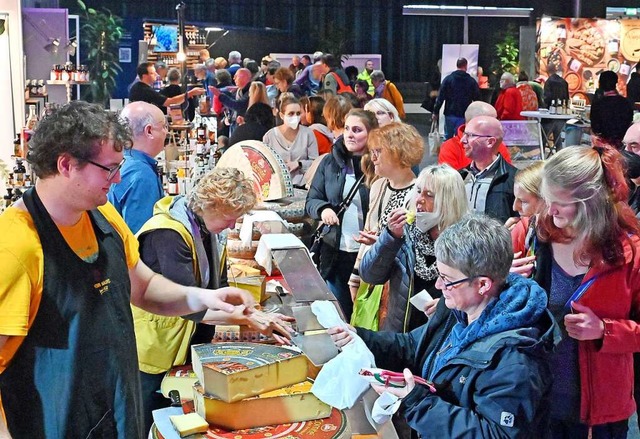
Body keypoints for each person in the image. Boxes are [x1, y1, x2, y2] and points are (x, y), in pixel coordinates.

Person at [0, 101, 273, 438]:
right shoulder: (15, 245)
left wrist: (205, 297)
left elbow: (142, 288)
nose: (117, 180)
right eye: (108, 169)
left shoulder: (104, 218)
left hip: (113, 412)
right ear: (67, 164)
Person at [329, 213, 559, 439]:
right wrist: (360, 337)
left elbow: (496, 434)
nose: (439, 285)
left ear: (482, 284)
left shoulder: (516, 359)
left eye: (447, 279)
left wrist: (418, 403)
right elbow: (412, 346)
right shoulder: (458, 310)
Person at [133, 167, 290, 434]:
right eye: (230, 218)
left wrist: (249, 311)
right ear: (210, 204)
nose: (232, 226)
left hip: (189, 343)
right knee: (155, 423)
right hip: (157, 349)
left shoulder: (207, 228)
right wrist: (251, 318)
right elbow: (188, 306)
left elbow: (219, 288)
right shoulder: (168, 233)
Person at [532, 144, 640, 438]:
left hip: (601, 410)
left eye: (559, 202)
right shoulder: (534, 236)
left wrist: (604, 330)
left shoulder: (631, 253)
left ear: (591, 201)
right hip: (535, 398)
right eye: (546, 198)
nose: (549, 209)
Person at [358, 162, 468, 333]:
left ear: (448, 200)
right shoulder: (405, 231)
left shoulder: (468, 240)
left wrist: (447, 306)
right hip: (402, 334)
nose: (419, 200)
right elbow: (370, 275)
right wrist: (389, 237)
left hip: (445, 335)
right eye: (418, 192)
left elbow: (479, 293)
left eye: (429, 195)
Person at [305, 109, 378, 320]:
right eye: (347, 128)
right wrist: (324, 209)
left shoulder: (378, 165)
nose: (350, 134)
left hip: (367, 253)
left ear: (371, 134)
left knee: (364, 315)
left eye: (357, 130)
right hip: (334, 251)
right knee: (341, 315)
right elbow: (312, 200)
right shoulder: (330, 163)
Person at [107, 101, 167, 234]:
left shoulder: (125, 161)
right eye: (163, 126)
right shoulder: (141, 175)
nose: (166, 132)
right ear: (149, 131)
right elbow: (141, 237)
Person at [460, 115, 517, 223]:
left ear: (490, 142)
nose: (463, 140)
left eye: (470, 135)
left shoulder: (514, 180)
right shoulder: (460, 176)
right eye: (464, 134)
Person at [262, 95, 319, 187]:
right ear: (281, 115)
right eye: (291, 114)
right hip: (278, 187)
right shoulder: (270, 136)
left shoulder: (308, 134)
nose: (295, 117)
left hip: (302, 186)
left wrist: (299, 164)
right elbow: (263, 164)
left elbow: (315, 162)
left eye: (298, 113)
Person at [438, 101, 512, 171]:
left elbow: (508, 176)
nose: (497, 124)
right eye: (491, 121)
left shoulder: (497, 144)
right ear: (472, 123)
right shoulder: (450, 148)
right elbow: (449, 182)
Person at [508, 161, 545, 279]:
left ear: (546, 199)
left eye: (523, 201)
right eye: (515, 198)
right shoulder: (523, 228)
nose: (514, 207)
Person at [432, 58, 480, 140]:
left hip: (450, 113)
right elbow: (477, 99)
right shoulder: (471, 81)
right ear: (466, 66)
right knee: (461, 138)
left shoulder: (448, 79)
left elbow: (440, 97)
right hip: (463, 114)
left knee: (448, 137)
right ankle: (458, 152)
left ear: (457, 65)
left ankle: (447, 152)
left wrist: (435, 112)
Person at [129, 62, 204, 110]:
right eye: (152, 73)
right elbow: (169, 102)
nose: (156, 74)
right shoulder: (144, 90)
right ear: (144, 76)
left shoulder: (138, 87)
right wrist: (190, 93)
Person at [590, 70, 634, 150]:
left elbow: (594, 127)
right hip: (621, 146)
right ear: (616, 83)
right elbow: (629, 122)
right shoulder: (626, 103)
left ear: (600, 84)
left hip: (603, 147)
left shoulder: (598, 104)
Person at [542, 64, 569, 150]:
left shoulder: (548, 82)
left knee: (543, 140)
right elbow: (567, 98)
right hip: (561, 116)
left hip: (549, 117)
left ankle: (542, 158)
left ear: (547, 71)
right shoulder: (564, 82)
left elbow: (546, 98)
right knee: (559, 141)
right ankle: (560, 160)